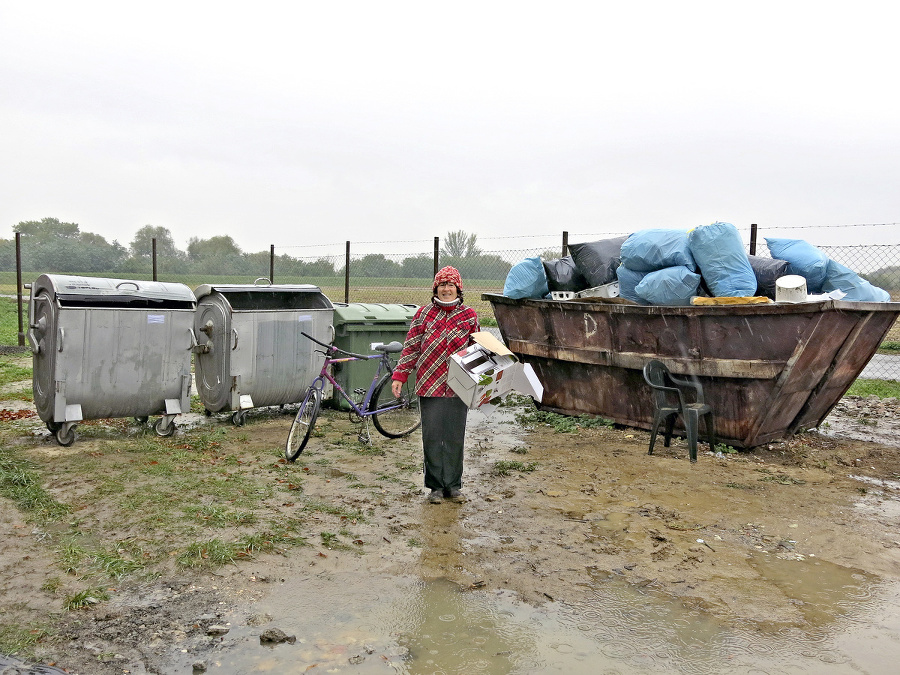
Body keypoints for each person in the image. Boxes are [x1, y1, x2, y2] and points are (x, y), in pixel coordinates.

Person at [391, 266, 480, 504]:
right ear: (436, 288)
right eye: (442, 285)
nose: (446, 289)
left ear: (458, 289)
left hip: (459, 385)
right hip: (429, 384)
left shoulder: (469, 316)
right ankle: (435, 488)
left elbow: (480, 351)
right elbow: (411, 347)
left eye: (451, 285)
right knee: (432, 436)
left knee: (454, 436)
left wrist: (484, 384)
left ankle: (453, 485)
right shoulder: (424, 314)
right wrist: (400, 375)